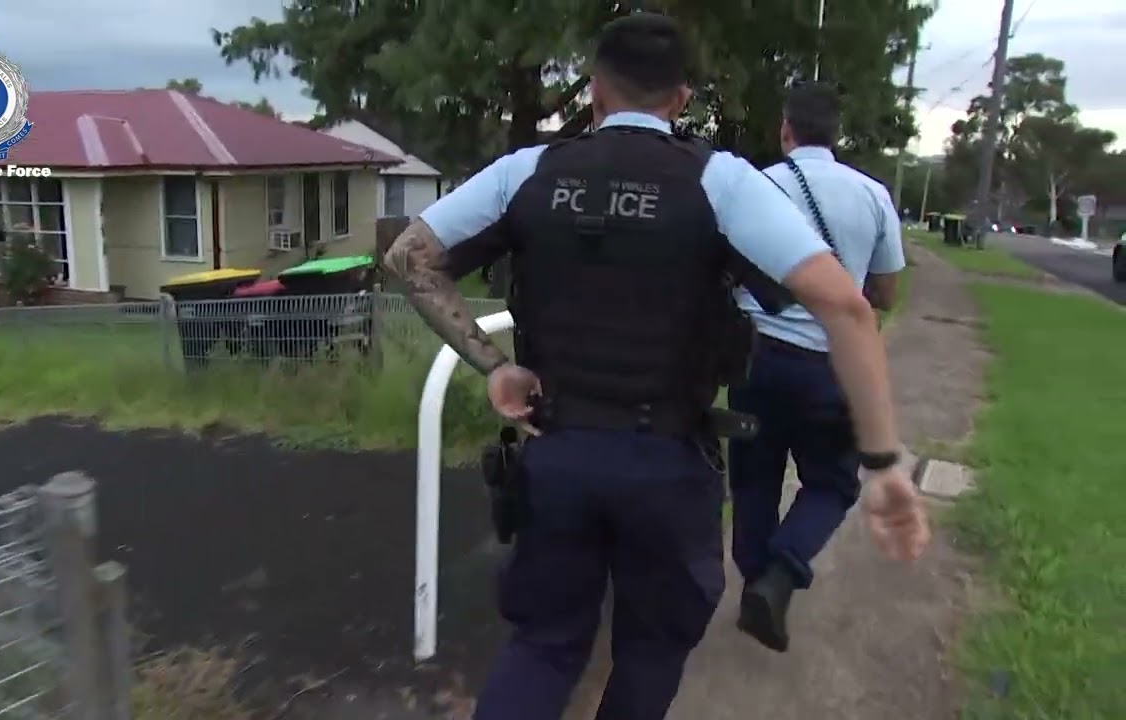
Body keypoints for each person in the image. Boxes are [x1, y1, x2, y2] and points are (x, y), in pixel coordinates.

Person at [383, 14, 929, 720]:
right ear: (681, 99)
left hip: (558, 453)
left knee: (544, 644)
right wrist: (882, 464)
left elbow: (409, 257)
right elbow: (850, 310)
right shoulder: (721, 180)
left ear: (594, 90)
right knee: (651, 649)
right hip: (669, 463)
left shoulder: (529, 170)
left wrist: (493, 365)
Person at [727, 81, 909, 654]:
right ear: (836, 135)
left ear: (786, 129)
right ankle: (780, 574)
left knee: (754, 477)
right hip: (831, 366)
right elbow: (885, 293)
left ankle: (756, 580)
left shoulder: (754, 187)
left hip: (754, 358)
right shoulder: (872, 195)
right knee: (831, 481)